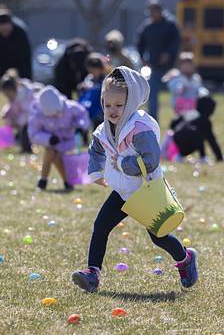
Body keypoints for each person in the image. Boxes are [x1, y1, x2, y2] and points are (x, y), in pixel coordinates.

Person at [71, 66, 198, 293]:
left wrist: (120, 164)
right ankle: (92, 273)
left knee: (158, 236)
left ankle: (185, 259)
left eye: (119, 105)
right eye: (108, 105)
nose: (112, 110)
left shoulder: (139, 127)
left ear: (130, 103)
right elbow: (97, 148)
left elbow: (150, 161)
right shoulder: (105, 128)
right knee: (100, 226)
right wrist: (96, 173)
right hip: (122, 191)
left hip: (145, 190)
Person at [28, 85, 88, 191]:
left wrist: (80, 127)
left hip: (70, 141)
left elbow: (82, 115)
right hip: (53, 142)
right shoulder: (38, 114)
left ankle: (45, 181)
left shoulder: (70, 108)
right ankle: (62, 182)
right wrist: (48, 139)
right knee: (52, 153)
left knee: (55, 155)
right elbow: (33, 133)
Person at [136, 0, 180, 119]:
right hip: (154, 66)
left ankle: (180, 118)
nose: (152, 14)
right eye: (150, 12)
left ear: (160, 10)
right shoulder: (147, 27)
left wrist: (168, 53)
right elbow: (140, 44)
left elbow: (176, 42)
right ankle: (153, 120)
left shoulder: (170, 25)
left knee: (177, 93)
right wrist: (142, 58)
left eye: (154, 11)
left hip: (171, 67)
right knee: (152, 94)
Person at [0, 6, 32, 104]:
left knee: (25, 88)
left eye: (7, 30)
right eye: (3, 30)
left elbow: (26, 60)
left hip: (16, 59)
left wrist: (27, 82)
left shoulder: (20, 32)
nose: (5, 33)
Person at [170, 92, 223, 162]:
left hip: (177, 137)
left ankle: (180, 156)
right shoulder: (205, 121)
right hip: (191, 138)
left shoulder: (191, 113)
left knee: (196, 135)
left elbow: (173, 124)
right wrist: (220, 157)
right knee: (200, 135)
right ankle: (203, 157)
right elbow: (212, 141)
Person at [0, 70, 40, 154]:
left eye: (8, 94)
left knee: (26, 130)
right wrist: (5, 112)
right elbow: (11, 105)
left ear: (14, 89)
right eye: (5, 94)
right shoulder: (14, 96)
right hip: (27, 117)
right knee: (22, 130)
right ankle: (19, 144)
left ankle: (27, 149)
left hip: (35, 115)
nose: (7, 96)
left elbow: (27, 112)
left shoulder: (24, 96)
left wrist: (18, 122)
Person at [78, 53, 108, 130]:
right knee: (96, 129)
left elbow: (103, 88)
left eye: (94, 70)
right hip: (94, 109)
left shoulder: (106, 79)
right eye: (90, 70)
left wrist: (92, 88)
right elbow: (87, 86)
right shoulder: (90, 78)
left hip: (104, 110)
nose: (92, 73)